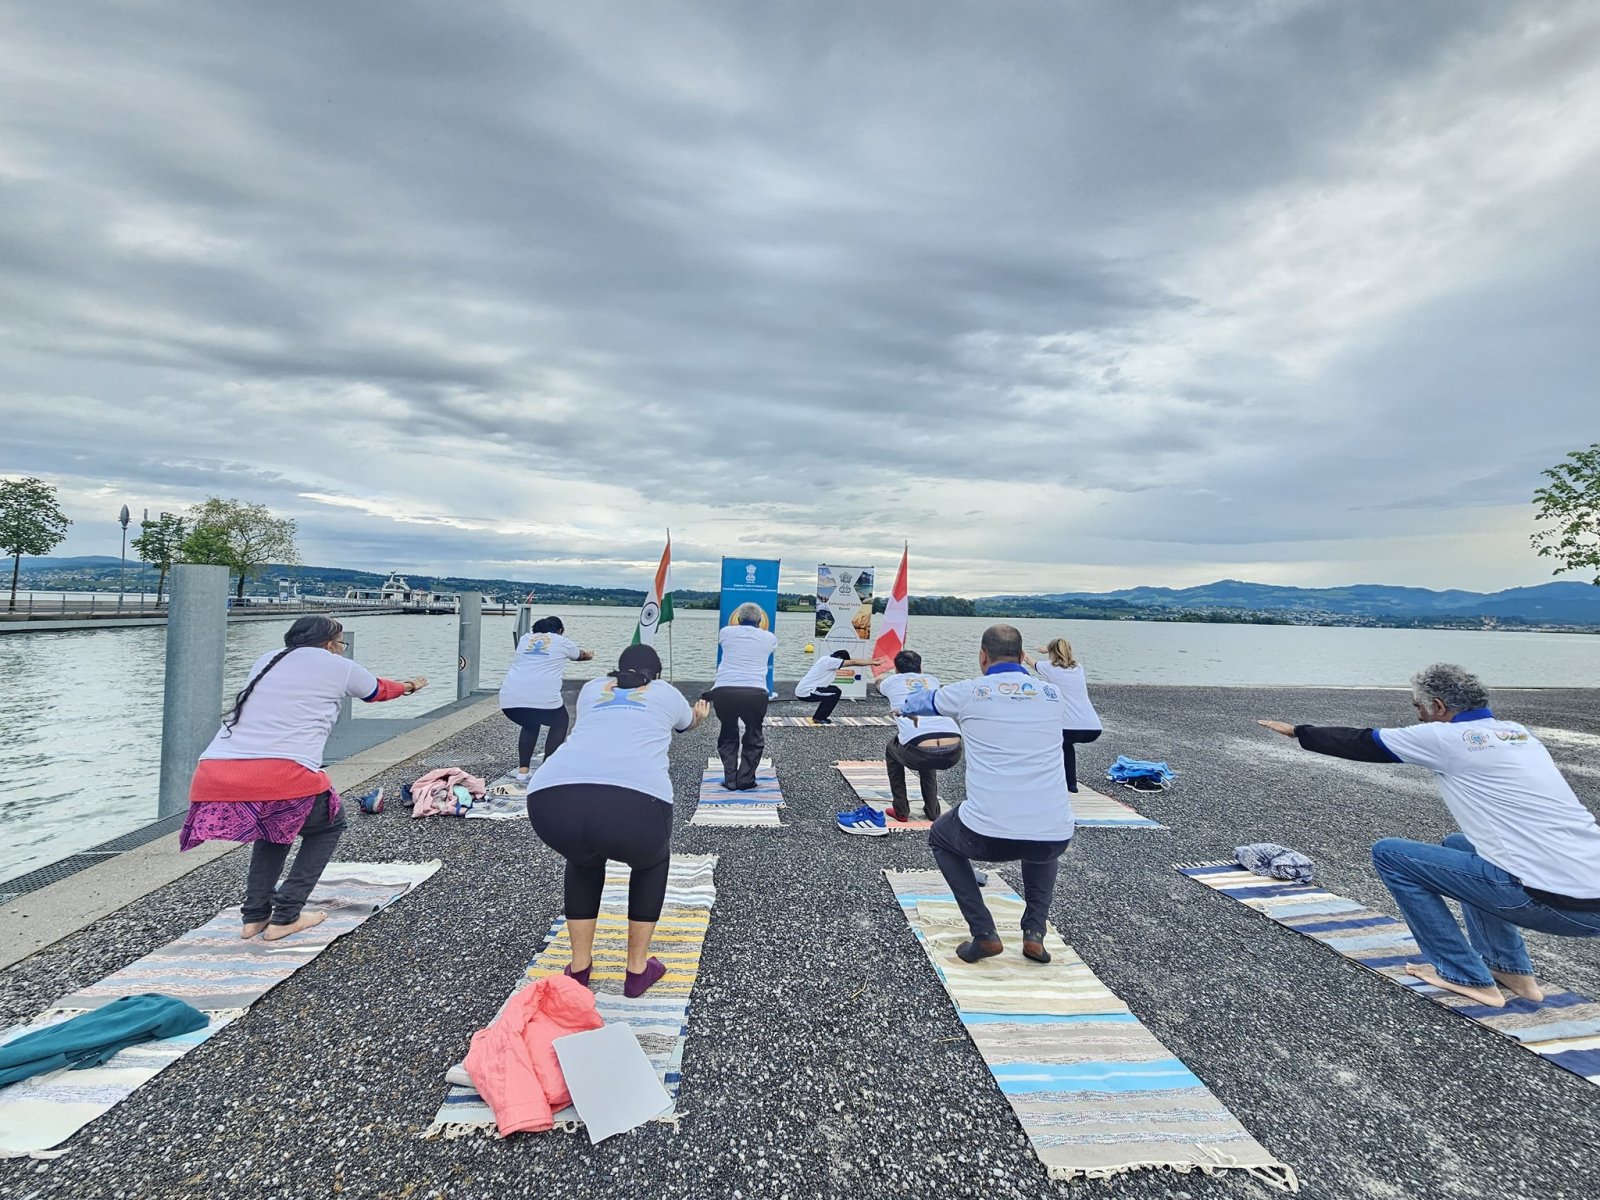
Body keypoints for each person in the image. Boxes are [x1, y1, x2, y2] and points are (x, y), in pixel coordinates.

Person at [1260, 662, 1600, 1008]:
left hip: (1555, 902)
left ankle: (1464, 975)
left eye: (1417, 706)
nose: (1418, 715)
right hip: (1591, 899)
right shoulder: (1516, 733)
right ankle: (1510, 970)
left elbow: (1364, 742)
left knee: (1389, 854)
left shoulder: (1443, 737)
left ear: (1438, 706)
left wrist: (1299, 731)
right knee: (1458, 845)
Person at [181, 616, 428, 940]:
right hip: (282, 772)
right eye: (341, 644)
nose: (341, 650)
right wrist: (410, 686)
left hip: (215, 771)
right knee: (329, 824)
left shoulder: (267, 659)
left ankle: (255, 915)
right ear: (330, 644)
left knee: (275, 829)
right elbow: (377, 691)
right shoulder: (338, 666)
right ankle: (286, 914)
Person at [527, 644, 711, 998]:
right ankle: (637, 970)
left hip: (550, 799)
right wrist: (699, 714)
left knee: (583, 861)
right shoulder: (665, 691)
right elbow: (687, 723)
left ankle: (579, 967)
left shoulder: (592, 688)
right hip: (635, 803)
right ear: (656, 675)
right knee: (651, 862)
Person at [896, 624, 1072, 964]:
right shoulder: (1053, 694)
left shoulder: (969, 692)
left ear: (982, 657)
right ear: (1023, 656)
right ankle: (1034, 934)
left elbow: (918, 701)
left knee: (940, 837)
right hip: (1055, 836)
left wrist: (906, 706)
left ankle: (984, 932)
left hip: (986, 836)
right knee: (1042, 830)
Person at [499, 616, 594, 782]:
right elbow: (580, 656)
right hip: (543, 700)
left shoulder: (524, 639)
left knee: (530, 723)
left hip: (509, 701)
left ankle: (523, 772)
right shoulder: (562, 641)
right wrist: (590, 655)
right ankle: (547, 770)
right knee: (560, 722)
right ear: (559, 630)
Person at [873, 649, 963, 822]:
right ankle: (932, 811)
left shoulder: (891, 682)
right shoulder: (933, 680)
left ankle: (901, 810)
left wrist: (878, 678)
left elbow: (879, 686)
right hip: (953, 748)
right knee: (927, 752)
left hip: (920, 749)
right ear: (920, 668)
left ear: (896, 669)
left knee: (893, 749)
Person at [707, 603, 778, 790]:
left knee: (728, 731)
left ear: (738, 619)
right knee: (754, 733)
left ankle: (730, 779)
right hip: (755, 692)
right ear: (760, 620)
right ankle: (745, 779)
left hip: (724, 690)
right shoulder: (770, 638)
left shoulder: (725, 632)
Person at [1022, 638, 1103, 794]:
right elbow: (1063, 652)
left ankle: (1057, 782)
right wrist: (1050, 649)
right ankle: (1071, 785)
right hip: (1093, 727)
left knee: (1049, 742)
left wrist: (1019, 649)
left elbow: (1027, 659)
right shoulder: (1078, 667)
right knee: (1065, 745)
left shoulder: (1049, 667)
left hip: (1071, 727)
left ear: (1052, 652)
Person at [794, 648, 875, 724]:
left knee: (835, 690)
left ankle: (818, 717)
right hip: (806, 692)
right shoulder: (831, 661)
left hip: (808, 689)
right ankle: (819, 718)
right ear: (839, 658)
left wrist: (872, 661)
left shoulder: (826, 658)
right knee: (834, 694)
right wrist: (872, 663)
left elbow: (852, 660)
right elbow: (853, 662)